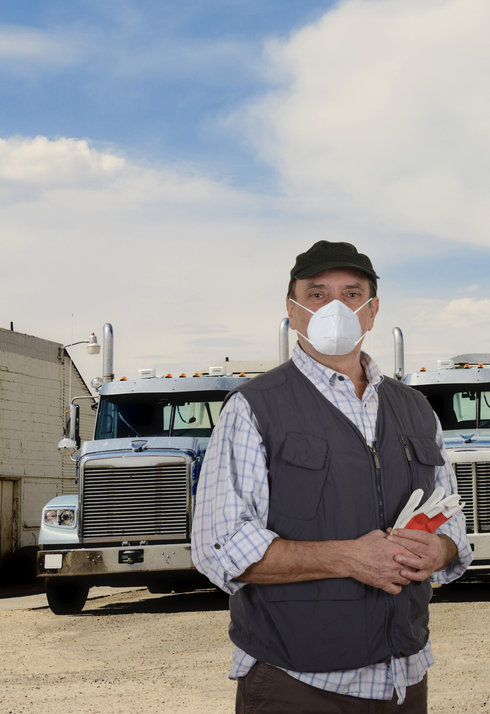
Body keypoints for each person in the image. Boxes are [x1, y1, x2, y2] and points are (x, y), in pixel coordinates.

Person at [193, 240, 472, 713]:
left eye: (351, 293)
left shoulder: (416, 410)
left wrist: (440, 548)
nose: (335, 308)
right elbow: (219, 548)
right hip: (297, 685)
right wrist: (348, 558)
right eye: (318, 294)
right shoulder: (254, 407)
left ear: (372, 310)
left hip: (405, 680)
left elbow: (453, 525)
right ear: (293, 309)